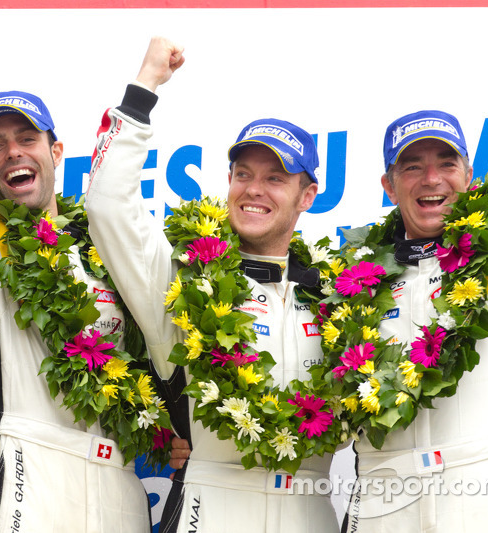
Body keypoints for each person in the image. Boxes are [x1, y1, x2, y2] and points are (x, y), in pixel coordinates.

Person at [0, 2, 151, 531]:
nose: (11, 153)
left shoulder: (104, 250)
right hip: (26, 477)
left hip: (121, 489)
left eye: (26, 139)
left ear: (56, 149)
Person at [84, 37, 340, 532]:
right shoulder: (181, 284)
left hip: (312, 509)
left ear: (307, 195)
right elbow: (107, 205)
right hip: (210, 507)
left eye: (276, 177)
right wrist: (145, 87)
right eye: (243, 173)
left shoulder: (339, 299)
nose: (254, 190)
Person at [339, 110, 488, 531]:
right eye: (412, 167)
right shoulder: (353, 275)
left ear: (469, 175)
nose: (432, 178)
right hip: (381, 500)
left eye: (446, 163)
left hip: (481, 496)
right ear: (388, 185)